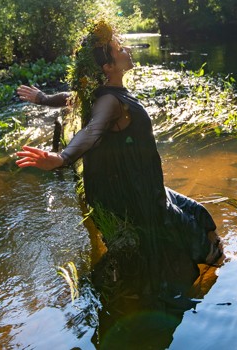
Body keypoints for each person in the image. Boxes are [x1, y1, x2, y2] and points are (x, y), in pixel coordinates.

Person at [15, 20, 223, 301]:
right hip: (138, 193)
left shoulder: (103, 95)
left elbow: (72, 97)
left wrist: (43, 98)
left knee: (196, 213)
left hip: (146, 184)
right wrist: (61, 157)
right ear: (108, 68)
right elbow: (93, 130)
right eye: (118, 48)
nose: (126, 49)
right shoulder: (109, 102)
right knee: (195, 240)